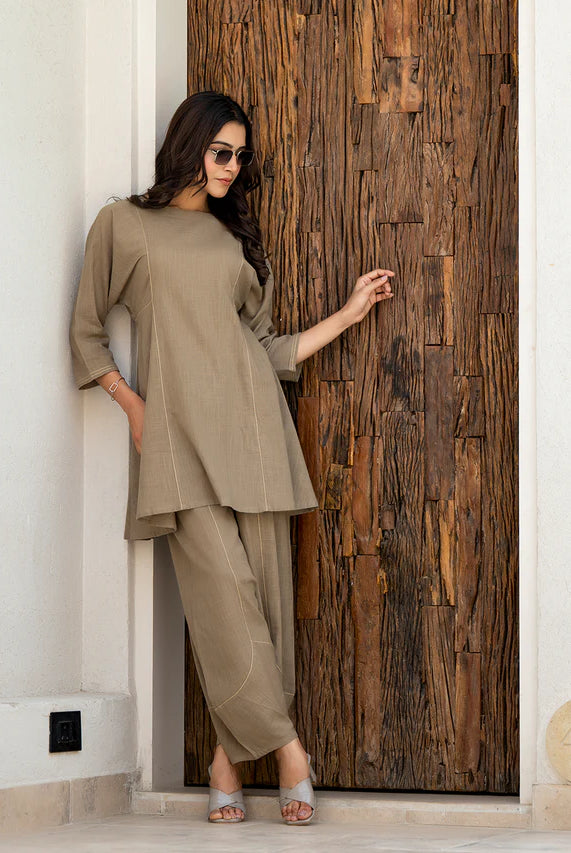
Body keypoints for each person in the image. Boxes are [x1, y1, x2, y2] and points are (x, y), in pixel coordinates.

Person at [69, 90, 394, 825]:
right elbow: (85, 330)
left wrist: (348, 314)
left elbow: (265, 349)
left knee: (265, 607)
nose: (231, 167)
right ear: (187, 145)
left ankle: (224, 762)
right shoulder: (125, 224)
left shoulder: (236, 242)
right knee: (225, 600)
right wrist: (132, 404)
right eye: (221, 152)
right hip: (178, 444)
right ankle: (290, 752)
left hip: (256, 435)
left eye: (240, 157)